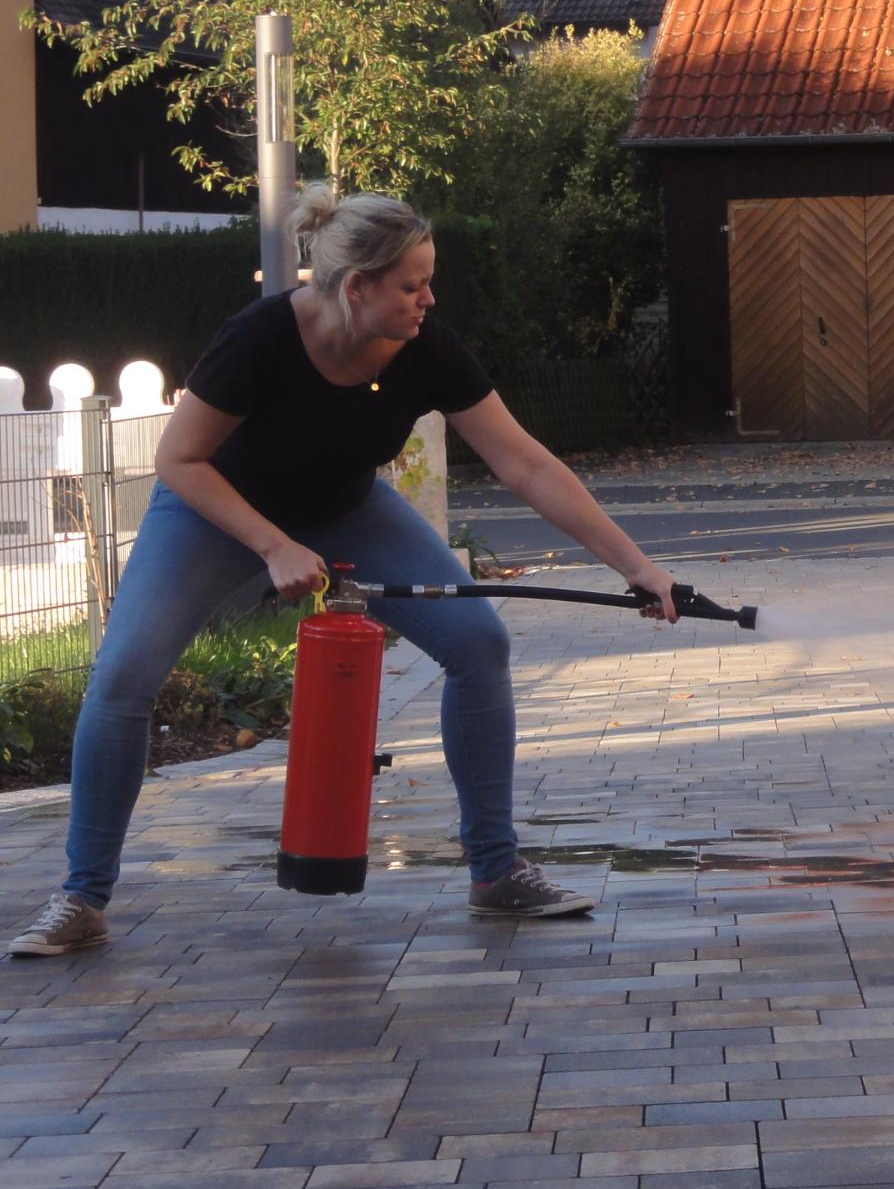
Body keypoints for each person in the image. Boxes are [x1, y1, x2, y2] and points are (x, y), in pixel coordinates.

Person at [9, 185, 680, 956]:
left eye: (429, 281)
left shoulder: (427, 350)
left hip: (346, 509)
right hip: (214, 509)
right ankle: (80, 898)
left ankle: (497, 873)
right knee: (123, 677)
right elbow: (179, 459)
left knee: (479, 644)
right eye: (412, 284)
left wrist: (638, 568)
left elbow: (525, 464)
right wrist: (271, 545)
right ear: (356, 288)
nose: (429, 298)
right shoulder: (259, 338)